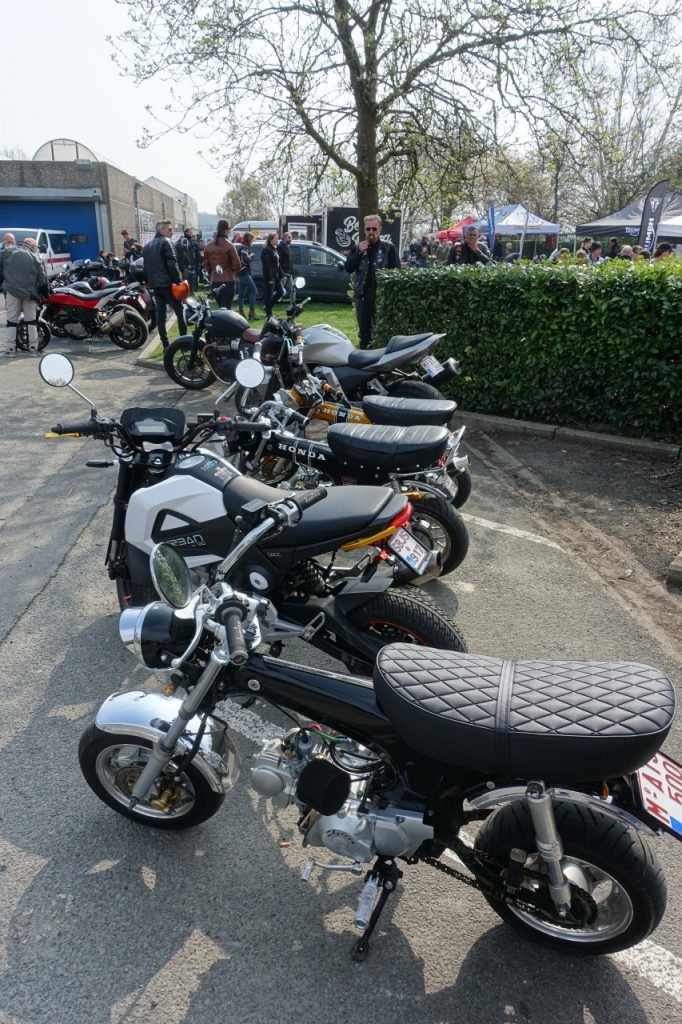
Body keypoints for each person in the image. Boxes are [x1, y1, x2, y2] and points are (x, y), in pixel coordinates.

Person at [344, 214, 399, 348]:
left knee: (381, 333)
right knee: (364, 335)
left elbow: (396, 273)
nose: (371, 232)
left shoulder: (389, 248)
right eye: (368, 229)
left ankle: (380, 364)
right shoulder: (358, 247)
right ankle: (364, 362)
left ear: (380, 229)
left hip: (380, 298)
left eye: (374, 229)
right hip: (362, 297)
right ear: (364, 230)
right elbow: (348, 268)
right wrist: (358, 253)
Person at [142, 220, 186, 350]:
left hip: (156, 286)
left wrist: (149, 283)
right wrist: (178, 281)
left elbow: (145, 268)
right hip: (168, 285)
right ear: (161, 230)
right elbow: (172, 263)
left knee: (161, 316)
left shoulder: (147, 246)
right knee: (180, 312)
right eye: (169, 229)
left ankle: (166, 345)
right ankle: (183, 343)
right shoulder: (166, 242)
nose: (172, 232)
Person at [0, 236, 47, 355]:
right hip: (30, 293)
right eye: (36, 247)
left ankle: (11, 350)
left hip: (11, 291)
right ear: (32, 246)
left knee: (11, 320)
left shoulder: (8, 252)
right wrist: (45, 293)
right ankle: (33, 349)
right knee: (31, 321)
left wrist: (3, 281)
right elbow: (42, 278)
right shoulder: (35, 257)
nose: (36, 250)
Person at [203, 219, 240, 309]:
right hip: (228, 281)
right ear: (227, 229)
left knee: (221, 308)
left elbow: (206, 265)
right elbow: (237, 265)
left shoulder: (208, 246)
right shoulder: (229, 245)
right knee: (226, 310)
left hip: (215, 281)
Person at [236, 232, 259, 320]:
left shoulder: (241, 246)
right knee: (254, 291)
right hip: (244, 273)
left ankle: (241, 312)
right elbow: (246, 261)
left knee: (241, 294)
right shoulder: (244, 247)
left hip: (240, 273)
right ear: (249, 239)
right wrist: (252, 256)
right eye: (252, 238)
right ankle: (251, 312)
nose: (253, 240)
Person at [260, 232, 280, 317]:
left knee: (281, 292)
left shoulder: (274, 249)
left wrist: (281, 274)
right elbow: (266, 266)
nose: (277, 240)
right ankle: (269, 313)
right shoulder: (266, 250)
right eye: (276, 239)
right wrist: (270, 278)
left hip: (276, 275)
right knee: (269, 295)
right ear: (271, 240)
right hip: (270, 276)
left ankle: (268, 307)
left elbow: (277, 263)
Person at [175, 227, 200, 293]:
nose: (192, 233)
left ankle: (190, 297)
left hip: (188, 267)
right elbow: (185, 254)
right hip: (187, 267)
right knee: (187, 285)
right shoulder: (185, 240)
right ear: (186, 232)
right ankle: (187, 299)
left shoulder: (188, 240)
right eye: (190, 232)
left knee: (190, 285)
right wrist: (188, 265)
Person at [276, 231, 293, 301]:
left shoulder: (287, 247)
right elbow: (278, 261)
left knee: (292, 289)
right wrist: (282, 273)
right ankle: (269, 304)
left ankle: (293, 304)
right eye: (288, 238)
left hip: (288, 273)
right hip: (283, 274)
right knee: (279, 291)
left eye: (291, 238)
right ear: (284, 238)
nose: (290, 239)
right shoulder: (280, 247)